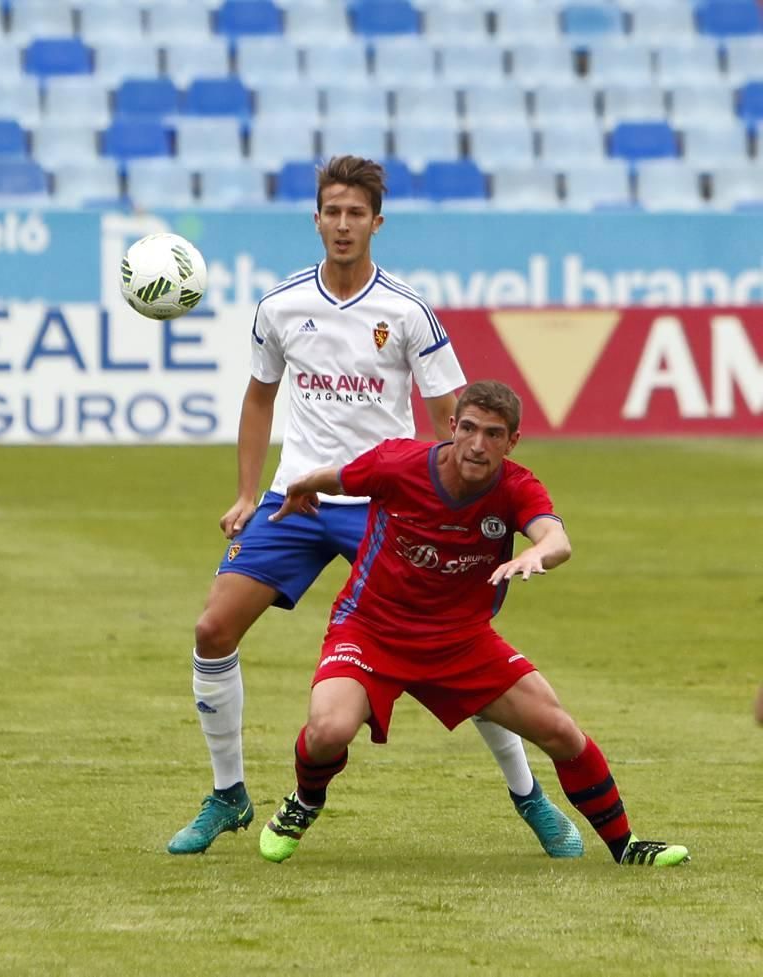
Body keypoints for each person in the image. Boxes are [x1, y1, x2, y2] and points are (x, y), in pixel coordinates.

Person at [168, 156, 582, 859]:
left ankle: (528, 795)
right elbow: (259, 395)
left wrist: (456, 507)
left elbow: (455, 417)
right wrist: (246, 492)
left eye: (356, 213)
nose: (342, 223)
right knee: (213, 627)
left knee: (454, 646)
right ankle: (228, 794)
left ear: (376, 223)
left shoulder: (407, 312)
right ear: (317, 218)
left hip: (383, 499)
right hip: (298, 495)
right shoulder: (281, 305)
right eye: (331, 210)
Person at [258, 380, 690, 868]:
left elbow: (557, 539)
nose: (478, 444)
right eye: (468, 429)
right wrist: (301, 485)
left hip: (460, 641)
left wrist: (537, 553)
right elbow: (341, 476)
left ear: (512, 442)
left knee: (560, 730)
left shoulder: (516, 486)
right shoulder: (399, 463)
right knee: (329, 730)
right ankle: (306, 801)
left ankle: (625, 847)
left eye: (493, 433)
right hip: (371, 629)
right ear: (452, 427)